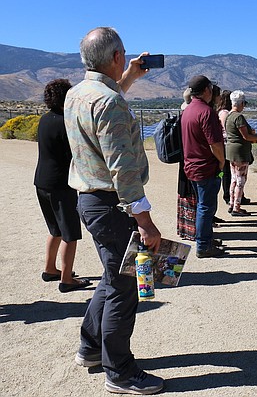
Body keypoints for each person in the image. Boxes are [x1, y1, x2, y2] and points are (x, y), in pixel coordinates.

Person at [64, 27, 164, 394]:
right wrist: (146, 221)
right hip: (113, 205)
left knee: (111, 276)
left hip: (90, 201)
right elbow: (122, 168)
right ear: (117, 56)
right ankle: (119, 371)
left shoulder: (78, 94)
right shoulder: (110, 103)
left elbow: (104, 103)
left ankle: (91, 348)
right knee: (126, 286)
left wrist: (131, 77)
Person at [34, 79, 90, 293]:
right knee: (70, 233)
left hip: (41, 181)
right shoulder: (66, 122)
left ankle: (50, 269)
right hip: (61, 185)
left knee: (54, 229)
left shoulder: (45, 120)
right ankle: (67, 279)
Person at [180, 75, 226, 258]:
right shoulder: (206, 112)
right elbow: (215, 144)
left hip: (191, 166)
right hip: (206, 167)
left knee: (203, 205)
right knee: (206, 207)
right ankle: (203, 245)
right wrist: (222, 161)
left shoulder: (189, 110)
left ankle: (206, 238)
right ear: (207, 90)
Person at [225, 90, 257, 216]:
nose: (244, 106)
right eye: (243, 103)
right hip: (240, 152)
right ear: (240, 103)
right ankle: (236, 207)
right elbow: (246, 136)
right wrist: (256, 137)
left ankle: (232, 204)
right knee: (240, 180)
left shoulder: (228, 116)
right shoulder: (238, 117)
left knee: (234, 179)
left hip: (231, 151)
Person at [177, 87, 198, 240]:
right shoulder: (191, 115)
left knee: (185, 193)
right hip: (191, 161)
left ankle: (185, 229)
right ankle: (194, 230)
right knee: (193, 195)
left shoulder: (182, 116)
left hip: (184, 161)